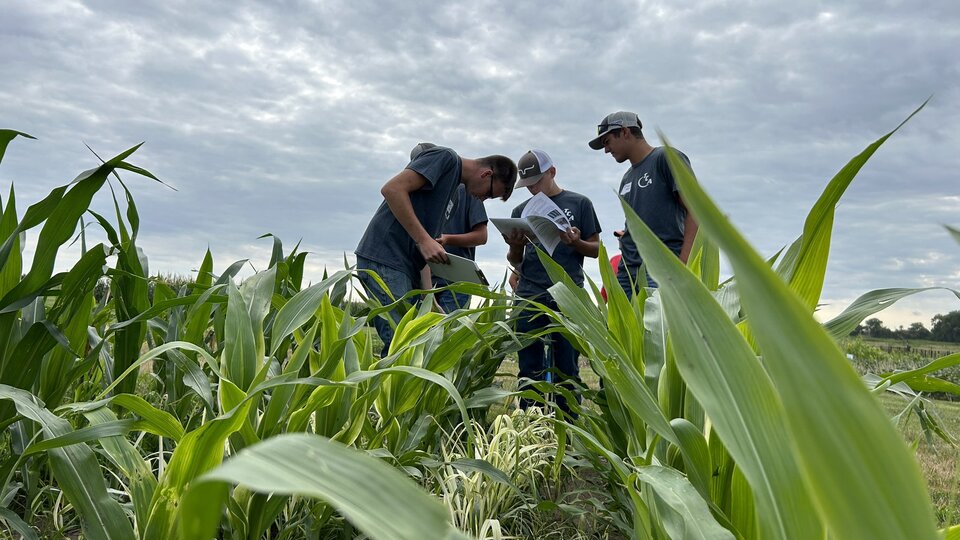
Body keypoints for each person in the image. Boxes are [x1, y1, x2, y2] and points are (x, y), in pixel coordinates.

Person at [356, 144, 517, 355]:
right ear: (486, 174)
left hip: (406, 268)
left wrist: (429, 296)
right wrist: (423, 239)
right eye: (489, 194)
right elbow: (392, 189)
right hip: (386, 258)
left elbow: (426, 250)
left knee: (413, 346)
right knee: (400, 346)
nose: (482, 199)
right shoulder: (445, 158)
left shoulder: (455, 196)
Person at [504, 149, 600, 416]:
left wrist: (576, 242)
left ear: (552, 172)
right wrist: (514, 246)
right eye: (528, 185)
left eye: (536, 182)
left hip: (566, 292)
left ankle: (568, 431)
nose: (533, 189)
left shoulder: (580, 203)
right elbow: (516, 259)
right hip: (529, 291)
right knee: (528, 367)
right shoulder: (520, 210)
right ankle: (531, 428)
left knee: (567, 366)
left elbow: (596, 250)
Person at [589, 111, 699, 297]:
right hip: (627, 270)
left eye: (607, 142)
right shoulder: (626, 179)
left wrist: (683, 264)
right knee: (621, 325)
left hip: (661, 265)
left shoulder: (665, 158)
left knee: (659, 325)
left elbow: (696, 211)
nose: (606, 150)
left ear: (624, 132)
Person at [410, 143, 489, 313]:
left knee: (449, 333)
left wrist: (446, 239)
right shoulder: (418, 193)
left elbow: (481, 236)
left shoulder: (468, 190)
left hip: (456, 278)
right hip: (426, 277)